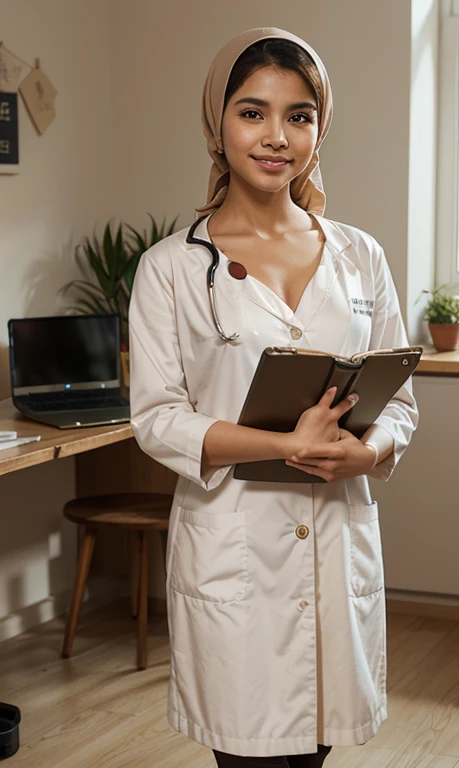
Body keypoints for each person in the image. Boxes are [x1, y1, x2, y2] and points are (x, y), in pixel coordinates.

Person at [128, 26, 419, 767]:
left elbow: (400, 402)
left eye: (299, 116)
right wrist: (285, 444)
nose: (276, 137)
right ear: (217, 124)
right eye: (252, 112)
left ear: (320, 129)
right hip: (235, 550)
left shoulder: (360, 256)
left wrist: (369, 453)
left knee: (315, 751)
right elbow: (158, 419)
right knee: (249, 755)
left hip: (336, 543)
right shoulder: (170, 268)